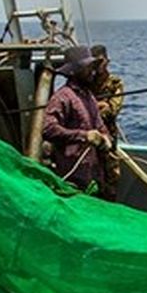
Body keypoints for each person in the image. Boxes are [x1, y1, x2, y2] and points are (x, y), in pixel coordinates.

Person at [41, 45, 113, 195]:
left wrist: (105, 138)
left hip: (93, 179)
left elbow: (100, 126)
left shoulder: (89, 97)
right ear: (74, 70)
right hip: (71, 182)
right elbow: (48, 129)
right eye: (87, 68)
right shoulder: (62, 97)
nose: (92, 72)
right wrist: (84, 136)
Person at [88, 44, 124, 202]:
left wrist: (95, 107)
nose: (98, 65)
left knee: (110, 180)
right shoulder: (87, 82)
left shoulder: (115, 84)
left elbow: (112, 109)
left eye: (101, 61)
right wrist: (99, 105)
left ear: (107, 61)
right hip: (88, 138)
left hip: (107, 137)